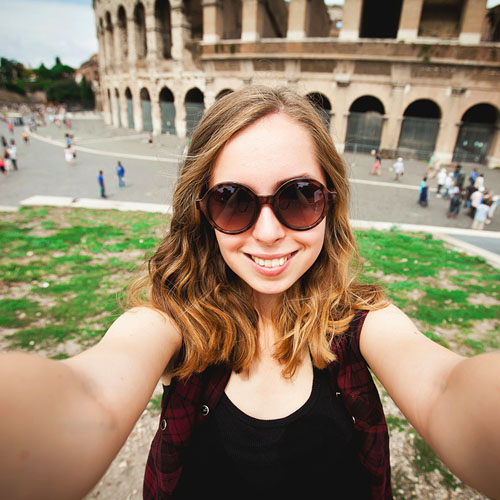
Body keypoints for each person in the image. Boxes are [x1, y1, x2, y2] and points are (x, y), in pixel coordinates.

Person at [0, 86, 499, 500]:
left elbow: (443, 389)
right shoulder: (172, 319)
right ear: (202, 210)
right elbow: (89, 395)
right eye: (233, 200)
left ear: (331, 198)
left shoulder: (363, 322)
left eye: (298, 196)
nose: (266, 233)